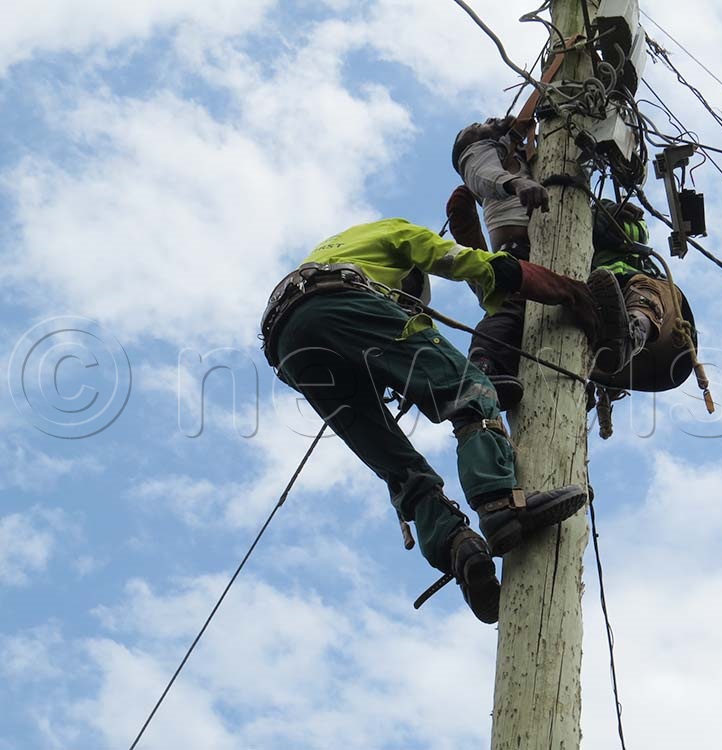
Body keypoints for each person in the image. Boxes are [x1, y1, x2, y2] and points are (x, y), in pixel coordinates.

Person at [260, 218, 628, 624]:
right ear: (408, 284)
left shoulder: (342, 250)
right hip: (337, 300)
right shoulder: (395, 235)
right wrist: (561, 288)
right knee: (470, 389)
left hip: (287, 342)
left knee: (396, 464)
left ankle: (456, 545)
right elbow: (462, 261)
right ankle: (500, 503)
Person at [450, 116, 697, 408]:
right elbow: (483, 173)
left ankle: (627, 335)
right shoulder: (484, 156)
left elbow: (631, 235)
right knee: (511, 311)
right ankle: (483, 374)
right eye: (478, 125)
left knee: (642, 290)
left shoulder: (529, 165)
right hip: (524, 262)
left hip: (590, 301)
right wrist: (514, 182)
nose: (489, 121)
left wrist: (609, 218)